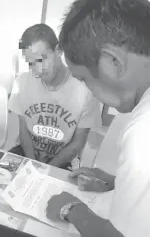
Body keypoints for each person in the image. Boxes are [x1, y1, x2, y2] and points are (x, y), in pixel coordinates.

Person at [46, 0, 150, 237]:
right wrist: (118, 182)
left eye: (83, 79)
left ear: (113, 62)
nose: (90, 92)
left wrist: (72, 209)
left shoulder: (143, 133)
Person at [8, 24, 101, 170]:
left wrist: (47, 169)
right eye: (31, 64)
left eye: (41, 60)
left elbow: (78, 143)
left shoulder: (85, 90)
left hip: (64, 159)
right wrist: (34, 164)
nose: (37, 70)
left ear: (58, 50)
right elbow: (24, 131)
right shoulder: (22, 83)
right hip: (27, 152)